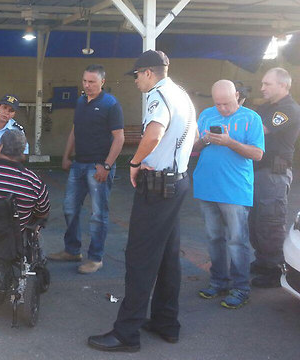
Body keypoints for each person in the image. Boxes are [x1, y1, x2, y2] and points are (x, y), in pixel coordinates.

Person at [88, 50, 196, 352]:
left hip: (158, 186)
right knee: (167, 256)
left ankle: (127, 333)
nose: (135, 81)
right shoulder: (181, 94)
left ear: (148, 73)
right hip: (178, 181)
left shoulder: (158, 96)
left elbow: (154, 133)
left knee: (140, 258)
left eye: (136, 75)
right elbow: (193, 135)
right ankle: (165, 322)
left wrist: (135, 162)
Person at [192, 80, 264, 309]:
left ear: (237, 95)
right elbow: (193, 146)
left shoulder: (251, 118)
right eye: (218, 104)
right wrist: (204, 140)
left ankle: (241, 288)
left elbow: (257, 154)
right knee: (214, 238)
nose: (222, 108)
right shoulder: (206, 114)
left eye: (227, 103)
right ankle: (218, 281)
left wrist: (229, 142)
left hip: (235, 190)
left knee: (237, 241)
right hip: (207, 186)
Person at [47, 64, 124, 274]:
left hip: (98, 166)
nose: (87, 85)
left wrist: (107, 166)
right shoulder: (81, 101)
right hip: (78, 165)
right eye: (85, 81)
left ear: (102, 82)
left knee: (98, 214)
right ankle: (72, 250)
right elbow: (75, 130)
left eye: (92, 82)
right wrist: (66, 156)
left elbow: (119, 138)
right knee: (69, 208)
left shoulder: (111, 104)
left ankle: (96, 258)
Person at [249, 68, 300, 288]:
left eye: (267, 84)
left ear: (283, 85)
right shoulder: (267, 107)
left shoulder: (288, 109)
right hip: (260, 171)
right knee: (256, 220)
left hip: (273, 174)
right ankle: (263, 261)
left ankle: (275, 269)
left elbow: (259, 130)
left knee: (270, 222)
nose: (262, 88)